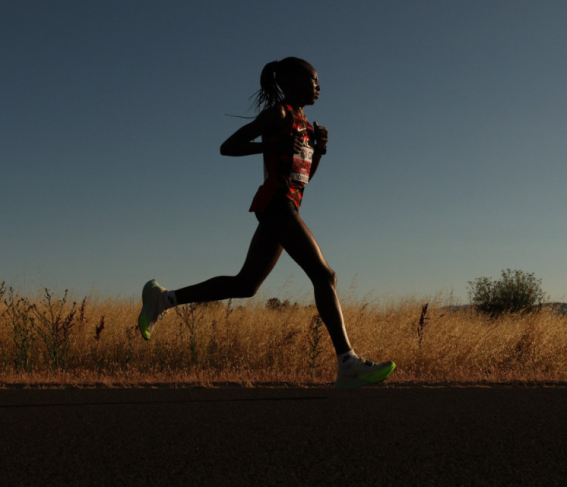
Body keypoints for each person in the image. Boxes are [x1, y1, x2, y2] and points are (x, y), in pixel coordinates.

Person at [138, 57, 395, 390]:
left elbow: (302, 178)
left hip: (288, 206)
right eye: (313, 79)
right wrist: (270, 143)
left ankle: (163, 298)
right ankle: (347, 362)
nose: (319, 86)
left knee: (246, 285)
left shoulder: (303, 122)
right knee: (324, 275)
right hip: (276, 205)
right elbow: (227, 147)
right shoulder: (280, 114)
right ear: (291, 82)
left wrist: (319, 151)